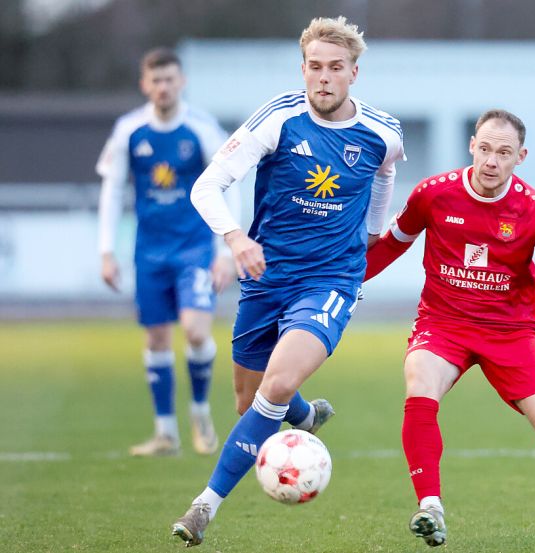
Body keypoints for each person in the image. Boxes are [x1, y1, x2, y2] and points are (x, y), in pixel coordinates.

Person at [170, 16, 404, 547]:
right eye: (315, 68)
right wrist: (235, 239)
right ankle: (305, 415)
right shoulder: (279, 119)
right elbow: (206, 188)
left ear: (354, 73)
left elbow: (385, 174)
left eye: (335, 68)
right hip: (265, 276)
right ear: (303, 69)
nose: (324, 78)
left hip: (330, 281)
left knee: (273, 387)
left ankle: (204, 507)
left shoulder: (382, 132)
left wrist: (370, 233)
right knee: (248, 400)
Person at [364, 109, 535, 553]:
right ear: (472, 145)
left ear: (520, 157)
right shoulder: (433, 194)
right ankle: (430, 506)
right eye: (485, 148)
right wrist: (342, 282)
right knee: (419, 383)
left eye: (503, 152)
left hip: (511, 331)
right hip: (443, 323)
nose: (491, 161)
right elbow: (391, 246)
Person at [97, 47, 239, 458]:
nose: (163, 87)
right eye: (155, 80)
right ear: (145, 85)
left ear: (182, 82)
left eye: (170, 79)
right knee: (156, 337)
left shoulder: (202, 129)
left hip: (195, 248)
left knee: (195, 330)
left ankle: (198, 412)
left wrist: (226, 247)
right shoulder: (128, 131)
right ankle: (165, 433)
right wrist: (107, 251)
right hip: (150, 252)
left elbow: (231, 180)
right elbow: (111, 191)